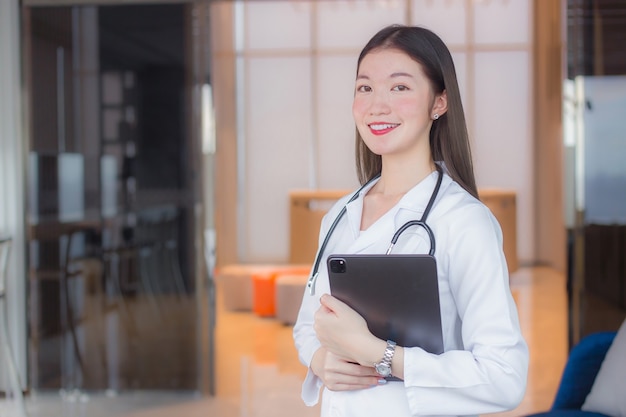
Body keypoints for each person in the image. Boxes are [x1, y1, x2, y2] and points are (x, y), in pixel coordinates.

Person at [292, 24, 528, 417]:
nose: (376, 105)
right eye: (364, 88)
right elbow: (308, 324)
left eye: (399, 88)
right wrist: (319, 360)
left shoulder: (465, 221)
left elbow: (504, 377)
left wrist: (380, 355)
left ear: (439, 103)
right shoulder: (340, 215)